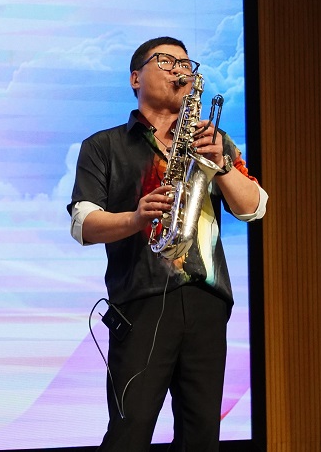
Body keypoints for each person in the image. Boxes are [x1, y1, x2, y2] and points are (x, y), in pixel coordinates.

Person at [68, 36, 268, 451]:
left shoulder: (212, 140)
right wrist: (136, 218)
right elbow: (83, 223)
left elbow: (254, 208)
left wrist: (222, 164)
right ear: (135, 78)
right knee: (130, 431)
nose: (180, 69)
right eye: (166, 61)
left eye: (185, 64)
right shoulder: (104, 145)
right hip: (139, 301)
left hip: (206, 300)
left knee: (201, 436)